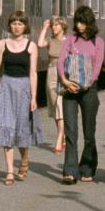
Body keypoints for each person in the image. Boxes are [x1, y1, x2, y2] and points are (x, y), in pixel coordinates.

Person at [0, 11, 43, 185]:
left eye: (20, 23)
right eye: (14, 23)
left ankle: (24, 158)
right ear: (9, 26)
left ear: (25, 26)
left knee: (22, 129)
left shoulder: (31, 46)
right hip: (6, 88)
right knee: (7, 127)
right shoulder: (2, 44)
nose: (16, 26)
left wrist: (34, 97)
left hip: (24, 89)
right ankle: (9, 171)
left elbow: (33, 73)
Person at [56, 5, 104, 184]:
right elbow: (61, 61)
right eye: (77, 21)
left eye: (82, 21)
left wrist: (85, 84)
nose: (79, 25)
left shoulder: (98, 42)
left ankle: (87, 167)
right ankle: (70, 170)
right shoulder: (70, 39)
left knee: (89, 132)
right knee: (70, 130)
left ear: (89, 22)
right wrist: (65, 81)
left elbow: (98, 67)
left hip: (88, 90)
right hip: (69, 89)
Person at [37, 17, 67, 154]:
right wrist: (44, 27)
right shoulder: (51, 40)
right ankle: (64, 135)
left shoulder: (68, 41)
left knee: (60, 106)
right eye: (52, 26)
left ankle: (59, 138)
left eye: (56, 25)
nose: (54, 28)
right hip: (51, 73)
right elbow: (39, 43)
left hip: (64, 74)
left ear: (62, 26)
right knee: (55, 107)